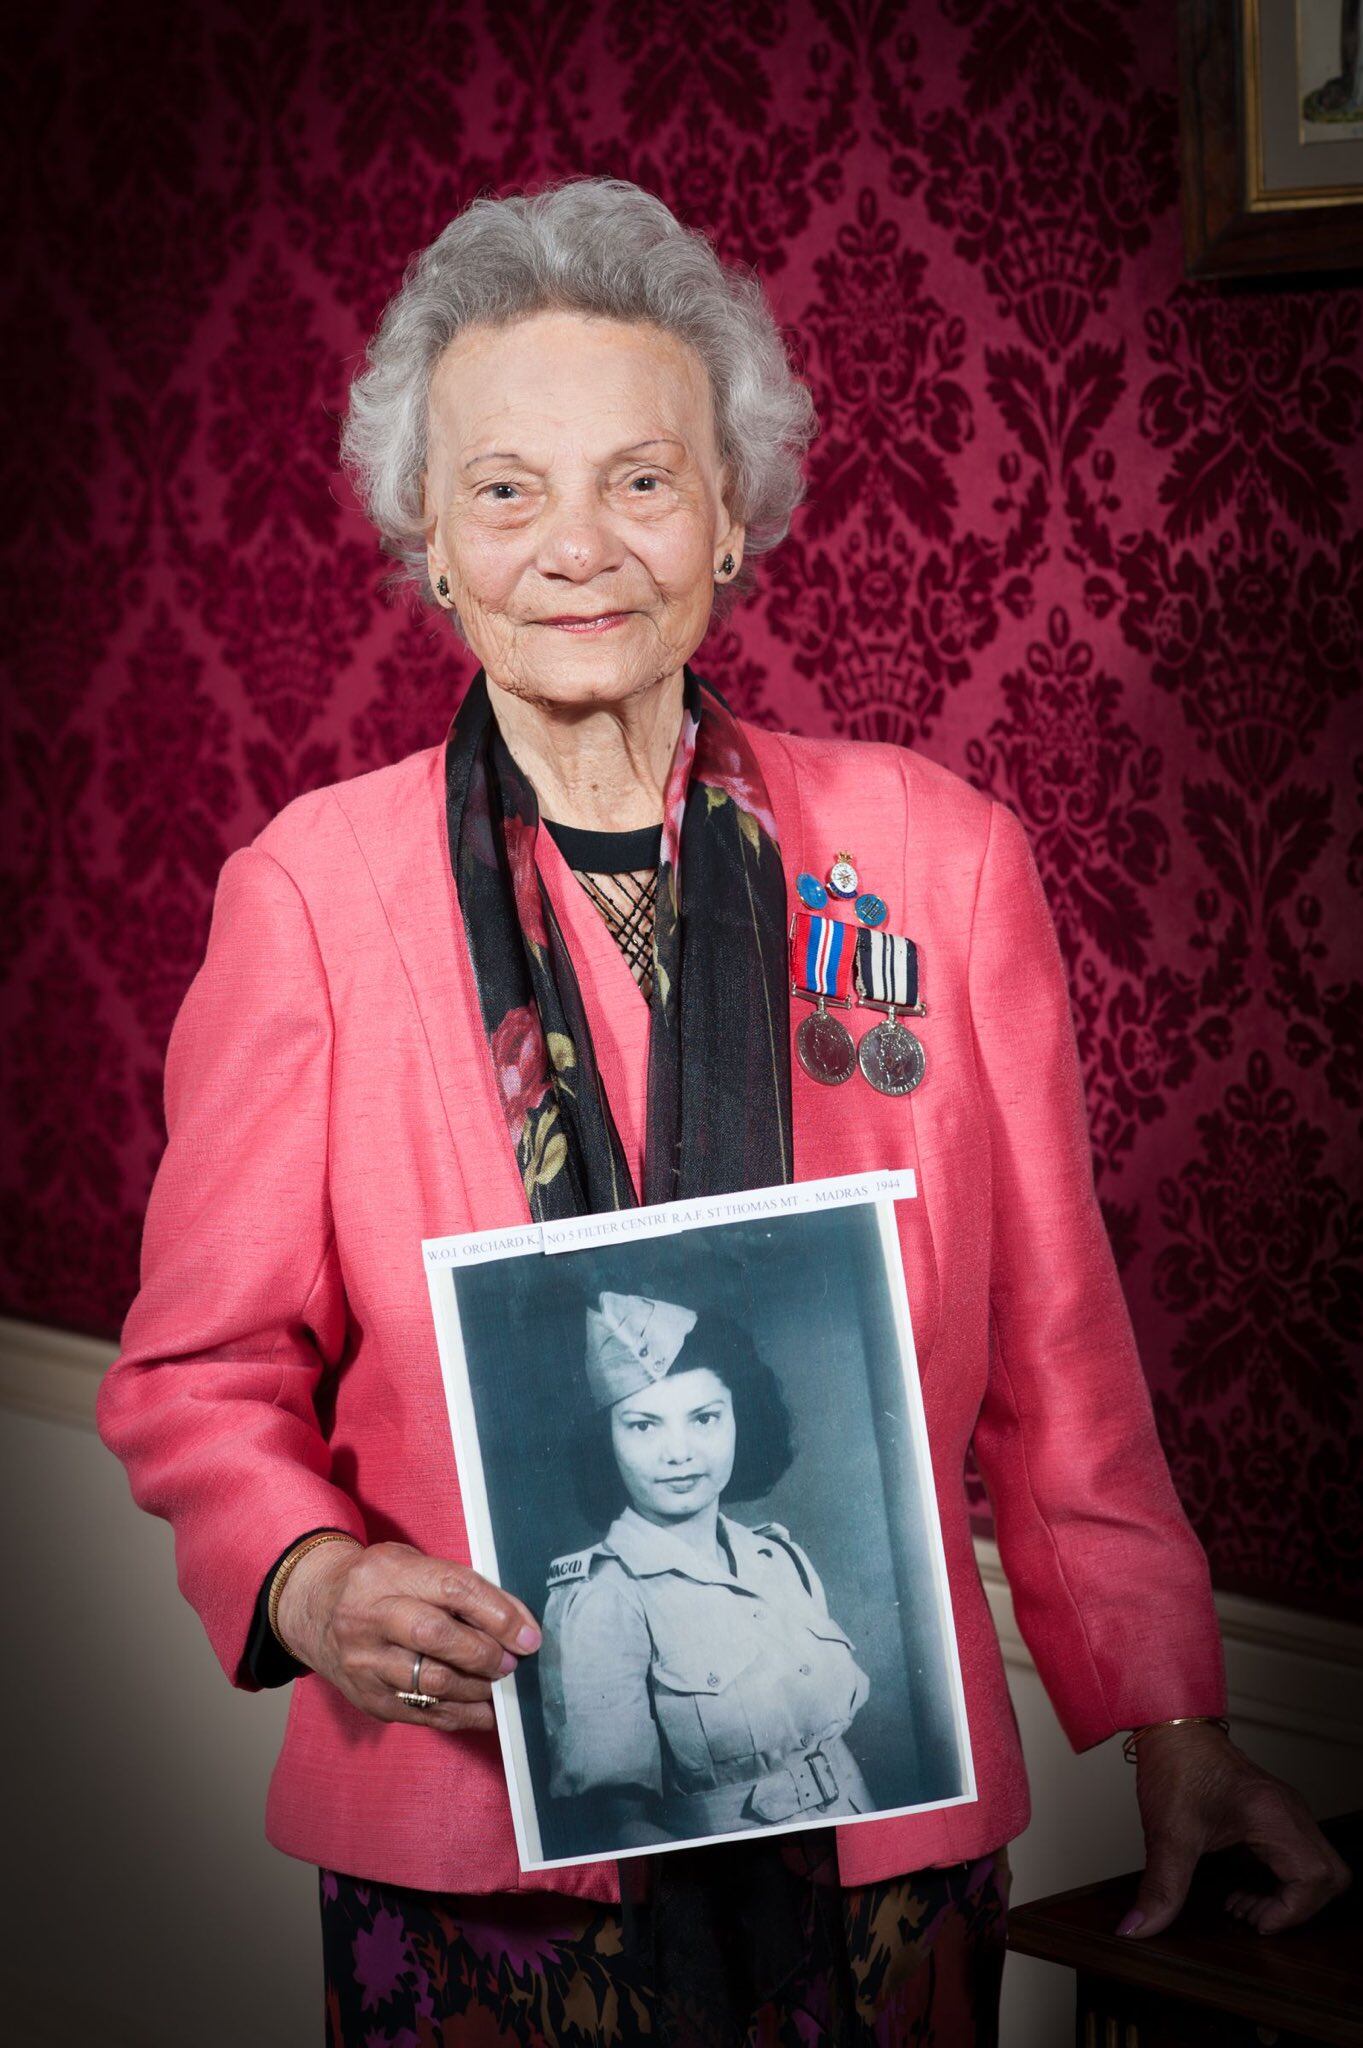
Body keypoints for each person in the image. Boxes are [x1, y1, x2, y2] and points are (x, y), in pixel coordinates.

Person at [96, 175, 1349, 2046]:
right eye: (504, 487)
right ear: (424, 534)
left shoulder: (938, 859)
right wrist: (311, 1572)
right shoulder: (309, 895)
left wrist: (1173, 1720)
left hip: (875, 1836)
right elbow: (197, 1375)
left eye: (642, 478)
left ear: (733, 519)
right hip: (471, 1848)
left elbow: (1060, 1363)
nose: (574, 543)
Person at [541, 1291, 872, 1848]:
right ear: (606, 1441)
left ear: (741, 1416)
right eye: (644, 1426)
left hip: (862, 1834)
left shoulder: (779, 1559)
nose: (680, 1452)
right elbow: (621, 1828)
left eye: (704, 1417)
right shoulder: (603, 1600)